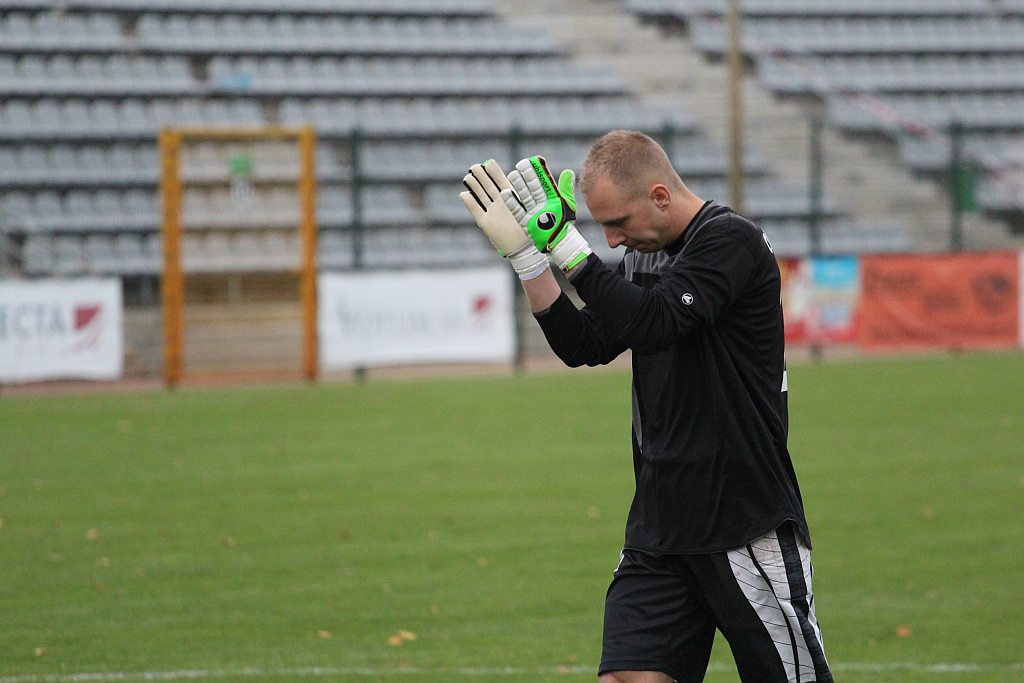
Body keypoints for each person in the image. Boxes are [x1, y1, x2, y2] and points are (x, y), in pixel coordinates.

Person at [459, 129, 832, 683]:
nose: (611, 241)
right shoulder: (645, 256)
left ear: (660, 196)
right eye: (601, 227)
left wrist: (567, 246)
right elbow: (585, 344)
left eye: (619, 224)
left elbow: (657, 323)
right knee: (628, 677)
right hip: (660, 526)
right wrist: (527, 259)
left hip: (741, 519)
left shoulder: (731, 241)